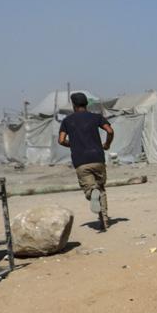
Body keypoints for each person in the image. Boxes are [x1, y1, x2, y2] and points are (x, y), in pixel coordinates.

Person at [55, 92, 113, 228]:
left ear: (74, 105)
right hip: (98, 158)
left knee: (91, 190)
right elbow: (109, 131)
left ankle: (91, 192)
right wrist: (107, 144)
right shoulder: (96, 117)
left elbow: (61, 140)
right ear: (86, 104)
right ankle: (104, 219)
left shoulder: (67, 121)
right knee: (101, 189)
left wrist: (73, 144)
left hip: (81, 161)